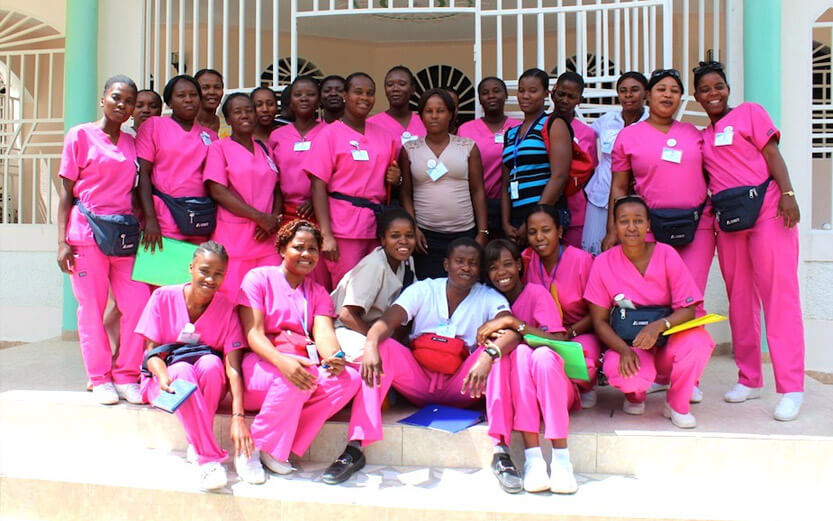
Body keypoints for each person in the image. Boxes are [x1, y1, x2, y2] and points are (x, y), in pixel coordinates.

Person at [322, 238, 521, 494]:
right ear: (446, 264)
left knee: (498, 354)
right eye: (459, 261)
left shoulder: (488, 297)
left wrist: (488, 353)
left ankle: (500, 450)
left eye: (473, 263)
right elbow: (387, 322)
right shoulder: (424, 289)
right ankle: (355, 446)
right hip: (419, 381)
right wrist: (370, 343)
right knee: (384, 347)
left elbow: (513, 331)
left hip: (461, 386)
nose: (466, 268)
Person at [694, 61, 805, 421]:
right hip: (730, 222)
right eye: (706, 89)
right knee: (740, 300)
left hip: (769, 211)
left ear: (728, 88)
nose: (713, 94)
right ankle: (749, 378)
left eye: (719, 86)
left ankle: (791, 388)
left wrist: (787, 192)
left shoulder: (750, 113)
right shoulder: (703, 136)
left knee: (779, 297)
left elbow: (772, 154)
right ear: (696, 96)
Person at [235, 220, 361, 478]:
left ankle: (277, 445)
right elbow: (253, 334)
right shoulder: (258, 279)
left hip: (301, 368)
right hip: (261, 366)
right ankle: (250, 450)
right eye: (299, 247)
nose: (307, 254)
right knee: (297, 376)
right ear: (282, 249)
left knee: (349, 379)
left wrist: (334, 357)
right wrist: (282, 361)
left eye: (313, 249)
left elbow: (323, 332)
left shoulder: (317, 292)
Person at [56, 75, 151, 405]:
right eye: (116, 98)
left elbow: (137, 190)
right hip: (85, 233)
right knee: (92, 309)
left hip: (123, 235)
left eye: (129, 101)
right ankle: (99, 377)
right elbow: (66, 193)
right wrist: (61, 241)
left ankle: (126, 374)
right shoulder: (80, 135)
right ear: (103, 100)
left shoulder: (131, 143)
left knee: (137, 304)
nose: (122, 105)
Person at [587, 195, 714, 428]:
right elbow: (600, 321)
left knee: (698, 342)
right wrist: (623, 349)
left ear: (648, 225)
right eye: (624, 221)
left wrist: (659, 326)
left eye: (638, 221)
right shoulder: (603, 263)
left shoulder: (666, 255)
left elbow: (688, 308)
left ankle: (677, 404)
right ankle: (635, 396)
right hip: (631, 346)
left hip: (666, 342)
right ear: (615, 226)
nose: (632, 227)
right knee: (622, 370)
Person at [135, 241, 246, 490]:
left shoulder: (226, 308)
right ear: (191, 267)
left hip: (205, 378)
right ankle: (209, 459)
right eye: (204, 270)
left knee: (211, 363)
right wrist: (163, 376)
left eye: (218, 274)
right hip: (163, 380)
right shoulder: (162, 297)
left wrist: (238, 414)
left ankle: (197, 445)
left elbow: (232, 365)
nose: (210, 279)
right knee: (182, 371)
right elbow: (151, 354)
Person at [605, 69, 715, 312]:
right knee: (654, 296)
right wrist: (612, 230)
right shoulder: (628, 136)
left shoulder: (694, 134)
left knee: (691, 297)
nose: (668, 95)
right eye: (661, 89)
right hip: (650, 227)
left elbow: (712, 176)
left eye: (674, 91)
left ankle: (691, 350)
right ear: (648, 95)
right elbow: (619, 187)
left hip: (698, 227)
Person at [479, 239, 580, 494]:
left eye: (507, 264)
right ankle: (533, 457)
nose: (502, 272)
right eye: (493, 267)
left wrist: (517, 325)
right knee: (521, 353)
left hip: (554, 386)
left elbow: (558, 339)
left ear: (519, 265)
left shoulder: (536, 293)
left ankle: (561, 459)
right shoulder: (488, 301)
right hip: (521, 394)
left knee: (541, 355)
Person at [305, 72, 400, 288]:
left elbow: (392, 178)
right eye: (358, 92)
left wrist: (398, 179)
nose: (364, 98)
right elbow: (318, 185)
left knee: (375, 287)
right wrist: (326, 234)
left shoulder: (384, 135)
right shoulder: (329, 135)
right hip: (343, 227)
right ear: (345, 95)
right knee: (347, 289)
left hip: (376, 225)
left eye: (370, 93)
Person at [399, 88, 489, 279]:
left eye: (440, 111)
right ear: (421, 115)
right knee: (429, 289)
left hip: (464, 233)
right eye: (428, 111)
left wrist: (482, 232)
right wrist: (413, 228)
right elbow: (406, 193)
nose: (434, 116)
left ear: (451, 114)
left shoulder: (468, 147)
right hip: (426, 235)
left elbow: (478, 191)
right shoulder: (410, 149)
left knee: (465, 286)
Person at [521, 205, 602, 407]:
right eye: (532, 232)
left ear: (559, 231)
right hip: (542, 335)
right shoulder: (525, 260)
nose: (539, 237)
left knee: (583, 361)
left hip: (578, 332)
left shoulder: (582, 260)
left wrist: (571, 332)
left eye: (546, 230)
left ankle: (583, 386)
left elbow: (600, 311)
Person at [203, 93, 282, 296]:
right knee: (231, 295)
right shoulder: (218, 148)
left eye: (249, 110)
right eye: (237, 112)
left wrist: (272, 220)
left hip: (266, 238)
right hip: (234, 238)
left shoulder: (265, 149)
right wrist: (260, 218)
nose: (245, 115)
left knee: (269, 293)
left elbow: (276, 188)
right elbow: (218, 191)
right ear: (227, 120)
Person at [137, 74, 218, 248]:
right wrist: (150, 219)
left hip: (200, 215)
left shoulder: (211, 136)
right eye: (181, 96)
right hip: (164, 214)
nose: (189, 100)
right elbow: (143, 173)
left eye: (193, 95)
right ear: (170, 103)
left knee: (194, 272)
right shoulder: (153, 126)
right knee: (165, 273)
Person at [331, 208, 417, 362]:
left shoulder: (407, 262)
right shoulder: (375, 265)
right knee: (374, 359)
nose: (403, 241)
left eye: (409, 236)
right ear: (383, 240)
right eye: (395, 236)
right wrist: (376, 340)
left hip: (378, 330)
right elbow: (346, 315)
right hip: (349, 329)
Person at [269, 76, 331, 289]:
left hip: (320, 214)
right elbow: (272, 178)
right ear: (290, 101)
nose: (304, 99)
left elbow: (339, 174)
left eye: (310, 94)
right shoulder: (277, 136)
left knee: (318, 272)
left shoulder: (331, 132)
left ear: (319, 100)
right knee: (288, 272)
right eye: (298, 95)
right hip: (287, 213)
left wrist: (316, 202)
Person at [501, 68, 572, 243]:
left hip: (546, 216)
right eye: (521, 90)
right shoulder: (511, 133)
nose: (525, 96)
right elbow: (505, 183)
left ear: (546, 94)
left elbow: (560, 176)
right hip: (517, 219)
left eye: (533, 91)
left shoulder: (553, 124)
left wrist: (534, 219)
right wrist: (505, 222)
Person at [582, 72, 649, 255]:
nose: (628, 95)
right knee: (594, 251)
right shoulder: (608, 120)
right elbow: (582, 137)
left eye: (634, 90)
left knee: (629, 253)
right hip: (600, 195)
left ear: (645, 93)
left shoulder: (652, 121)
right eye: (623, 91)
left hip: (636, 198)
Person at [458, 77, 521, 236]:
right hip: (475, 205)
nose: (491, 96)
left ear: (506, 95)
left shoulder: (518, 128)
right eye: (485, 93)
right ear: (479, 99)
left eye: (496, 91)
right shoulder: (466, 130)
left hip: (512, 204)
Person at [551, 72, 598, 249]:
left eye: (571, 96)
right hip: (542, 204)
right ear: (552, 93)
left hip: (575, 210)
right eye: (561, 94)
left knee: (573, 261)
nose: (564, 100)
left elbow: (591, 169)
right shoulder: (540, 125)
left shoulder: (587, 133)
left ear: (579, 99)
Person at [368, 65, 426, 152]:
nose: (395, 89)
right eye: (390, 85)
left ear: (413, 89)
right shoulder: (370, 124)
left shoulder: (425, 122)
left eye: (402, 84)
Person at [195, 68, 226, 136]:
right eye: (205, 88)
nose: (212, 92)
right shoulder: (184, 126)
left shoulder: (229, 126)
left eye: (217, 87)